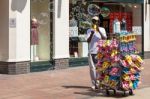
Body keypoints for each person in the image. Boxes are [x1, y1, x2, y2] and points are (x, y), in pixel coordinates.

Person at [86, 16, 107, 90]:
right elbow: (88, 41)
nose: (95, 22)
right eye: (93, 21)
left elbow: (104, 38)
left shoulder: (102, 29)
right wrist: (92, 34)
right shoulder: (89, 30)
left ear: (99, 22)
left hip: (100, 52)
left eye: (96, 21)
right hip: (91, 51)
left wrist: (99, 31)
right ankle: (93, 84)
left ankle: (98, 83)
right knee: (92, 68)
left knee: (99, 68)